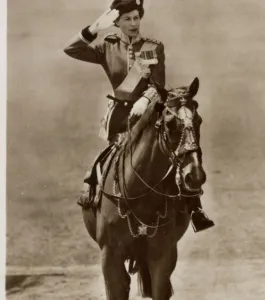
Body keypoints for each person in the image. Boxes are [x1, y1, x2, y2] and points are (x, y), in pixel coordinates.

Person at [63, 0, 214, 232]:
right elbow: (71, 49)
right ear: (116, 22)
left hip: (150, 113)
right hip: (120, 118)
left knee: (175, 155)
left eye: (136, 17)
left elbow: (158, 82)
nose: (133, 23)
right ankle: (95, 200)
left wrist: (145, 99)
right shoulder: (107, 46)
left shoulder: (153, 47)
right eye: (127, 19)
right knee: (105, 161)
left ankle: (195, 209)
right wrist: (93, 29)